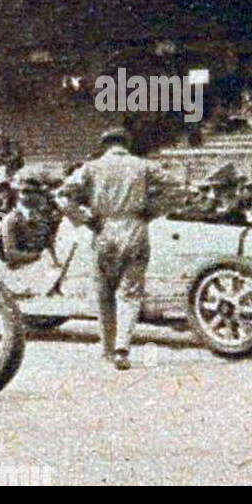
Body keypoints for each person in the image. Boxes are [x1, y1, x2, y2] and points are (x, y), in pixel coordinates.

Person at [56, 128, 174, 371]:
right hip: (135, 228)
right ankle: (122, 348)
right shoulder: (143, 166)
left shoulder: (91, 167)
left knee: (104, 292)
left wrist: (83, 218)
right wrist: (154, 211)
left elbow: (61, 195)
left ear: (105, 145)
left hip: (104, 229)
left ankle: (107, 348)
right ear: (126, 144)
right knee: (130, 292)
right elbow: (175, 186)